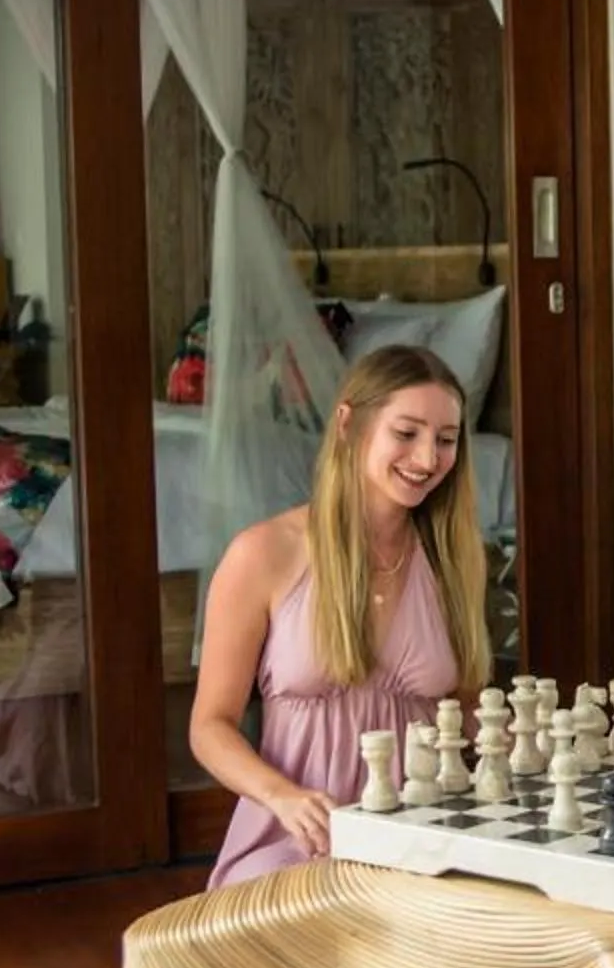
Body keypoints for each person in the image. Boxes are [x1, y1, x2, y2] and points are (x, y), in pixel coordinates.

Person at [194, 344, 492, 891]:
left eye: (446, 441)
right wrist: (280, 795)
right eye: (407, 433)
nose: (428, 459)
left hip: (420, 836)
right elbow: (209, 727)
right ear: (349, 423)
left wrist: (533, 740)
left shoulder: (453, 559)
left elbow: (468, 711)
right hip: (298, 839)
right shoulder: (264, 554)